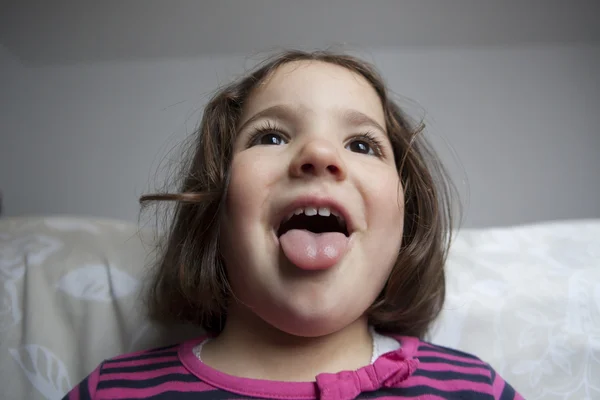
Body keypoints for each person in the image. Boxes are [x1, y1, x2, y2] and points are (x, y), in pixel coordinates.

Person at [63, 50, 524, 399]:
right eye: (271, 136)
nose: (319, 155)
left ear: (407, 216)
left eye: (362, 145)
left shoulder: (473, 388)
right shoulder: (113, 390)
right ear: (215, 206)